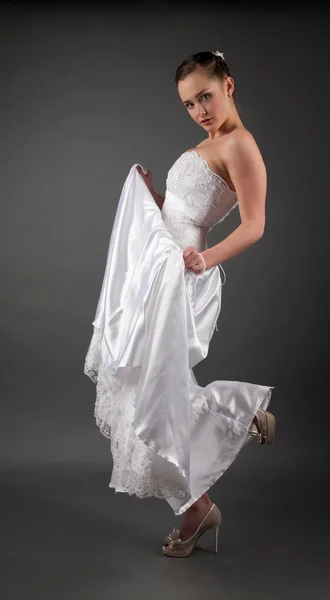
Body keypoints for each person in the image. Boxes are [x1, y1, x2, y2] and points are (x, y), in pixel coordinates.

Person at [84, 50, 275, 558]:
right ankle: (198, 504)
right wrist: (155, 198)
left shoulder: (241, 146)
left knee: (150, 385)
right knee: (141, 387)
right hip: (161, 267)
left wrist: (205, 259)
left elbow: (254, 225)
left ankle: (240, 410)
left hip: (181, 272)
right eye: (189, 104)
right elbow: (187, 209)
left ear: (228, 85)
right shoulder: (209, 143)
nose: (200, 111)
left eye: (206, 97)